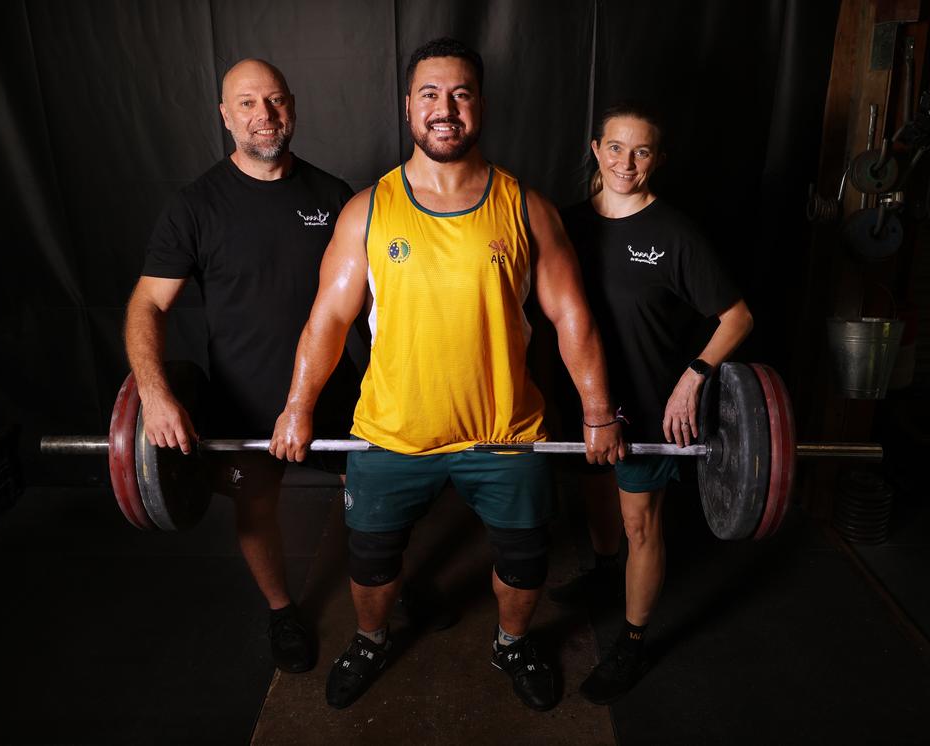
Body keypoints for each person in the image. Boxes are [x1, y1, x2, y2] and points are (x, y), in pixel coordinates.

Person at [269, 38, 624, 712]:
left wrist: (601, 413)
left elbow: (572, 318)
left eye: (460, 94)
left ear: (481, 106)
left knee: (524, 562)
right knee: (371, 562)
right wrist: (298, 406)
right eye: (430, 94)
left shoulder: (525, 208)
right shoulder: (369, 210)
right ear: (408, 108)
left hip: (506, 435)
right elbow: (327, 321)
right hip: (391, 433)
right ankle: (372, 638)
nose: (445, 108)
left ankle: (512, 644)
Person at [124, 58, 362, 674]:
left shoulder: (333, 196)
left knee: (374, 498)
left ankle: (386, 582)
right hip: (246, 398)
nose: (265, 116)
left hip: (337, 390)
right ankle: (284, 610)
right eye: (248, 104)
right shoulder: (195, 206)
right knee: (255, 508)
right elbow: (148, 302)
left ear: (294, 106)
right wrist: (154, 392)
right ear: (225, 116)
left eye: (276, 101)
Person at [549, 102, 754, 704]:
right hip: (582, 402)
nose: (626, 163)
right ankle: (605, 573)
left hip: (644, 406)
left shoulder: (673, 233)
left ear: (658, 160)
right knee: (593, 489)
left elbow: (738, 317)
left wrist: (693, 378)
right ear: (596, 150)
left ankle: (634, 641)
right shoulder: (564, 226)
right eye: (615, 148)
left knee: (641, 521)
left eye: (641, 152)